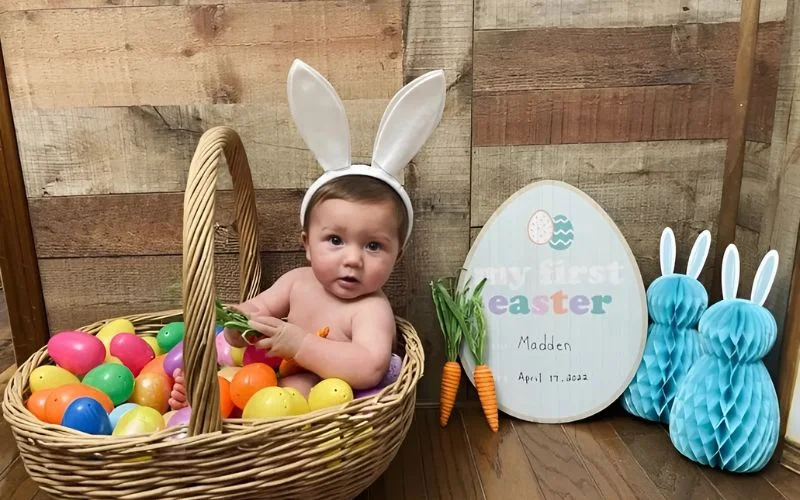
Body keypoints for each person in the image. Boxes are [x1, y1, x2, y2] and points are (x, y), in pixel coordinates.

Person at [168, 58, 446, 409]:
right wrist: (240, 324)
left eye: (373, 245)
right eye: (335, 240)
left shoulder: (371, 309)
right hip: (268, 378)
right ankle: (204, 404)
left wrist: (301, 346)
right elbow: (258, 308)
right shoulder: (296, 282)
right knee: (232, 377)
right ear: (308, 245)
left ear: (397, 256)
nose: (352, 259)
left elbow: (370, 367)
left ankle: (226, 416)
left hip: (317, 401)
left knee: (293, 391)